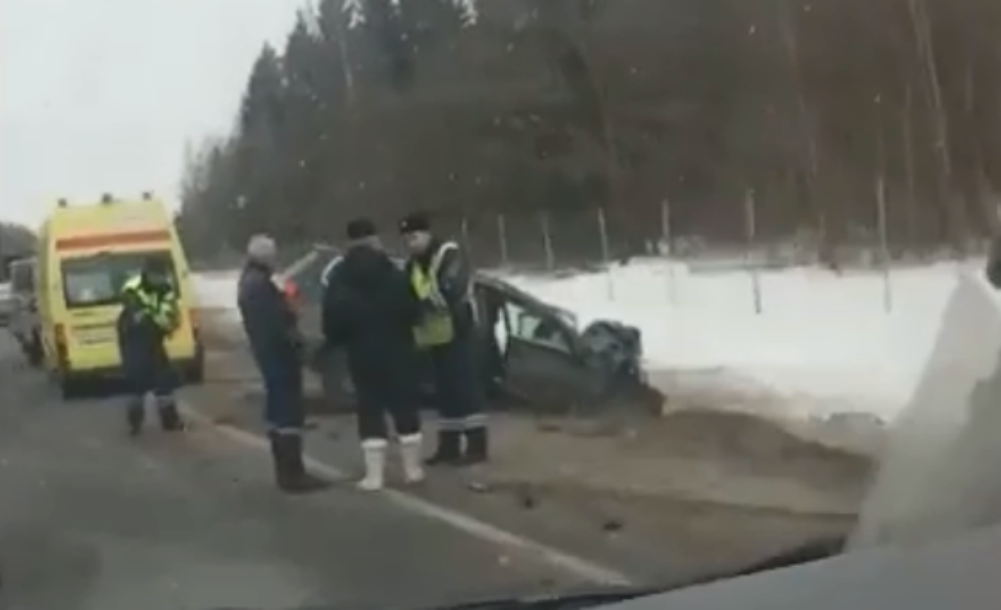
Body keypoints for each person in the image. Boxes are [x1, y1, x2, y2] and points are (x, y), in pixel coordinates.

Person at [322, 219, 424, 490]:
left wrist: (340, 339)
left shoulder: (340, 275)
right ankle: (412, 469)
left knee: (370, 409)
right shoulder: (394, 270)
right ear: (375, 239)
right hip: (398, 349)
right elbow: (413, 310)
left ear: (349, 242)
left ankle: (374, 476)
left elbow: (332, 319)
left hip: (362, 352)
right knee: (405, 406)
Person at [237, 234, 326, 493]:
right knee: (288, 411)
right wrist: (296, 336)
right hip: (278, 353)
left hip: (268, 352)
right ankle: (292, 473)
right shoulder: (260, 285)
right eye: (273, 254)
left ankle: (287, 472)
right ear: (265, 257)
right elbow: (277, 321)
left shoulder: (252, 281)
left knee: (279, 410)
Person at [399, 211, 489, 465]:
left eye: (414, 237)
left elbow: (449, 291)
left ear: (427, 234)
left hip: (461, 330)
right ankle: (448, 445)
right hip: (434, 334)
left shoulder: (449, 255)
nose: (410, 243)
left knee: (465, 387)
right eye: (406, 239)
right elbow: (409, 293)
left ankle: (476, 445)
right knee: (445, 390)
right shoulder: (414, 264)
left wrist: (419, 305)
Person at [118, 257, 183, 435]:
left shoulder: (166, 288)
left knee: (163, 378)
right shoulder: (132, 287)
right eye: (158, 275)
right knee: (137, 379)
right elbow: (136, 313)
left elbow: (170, 316)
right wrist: (157, 318)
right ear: (148, 273)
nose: (162, 278)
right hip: (133, 338)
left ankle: (170, 420)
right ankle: (135, 421)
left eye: (163, 275)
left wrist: (160, 320)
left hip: (154, 337)